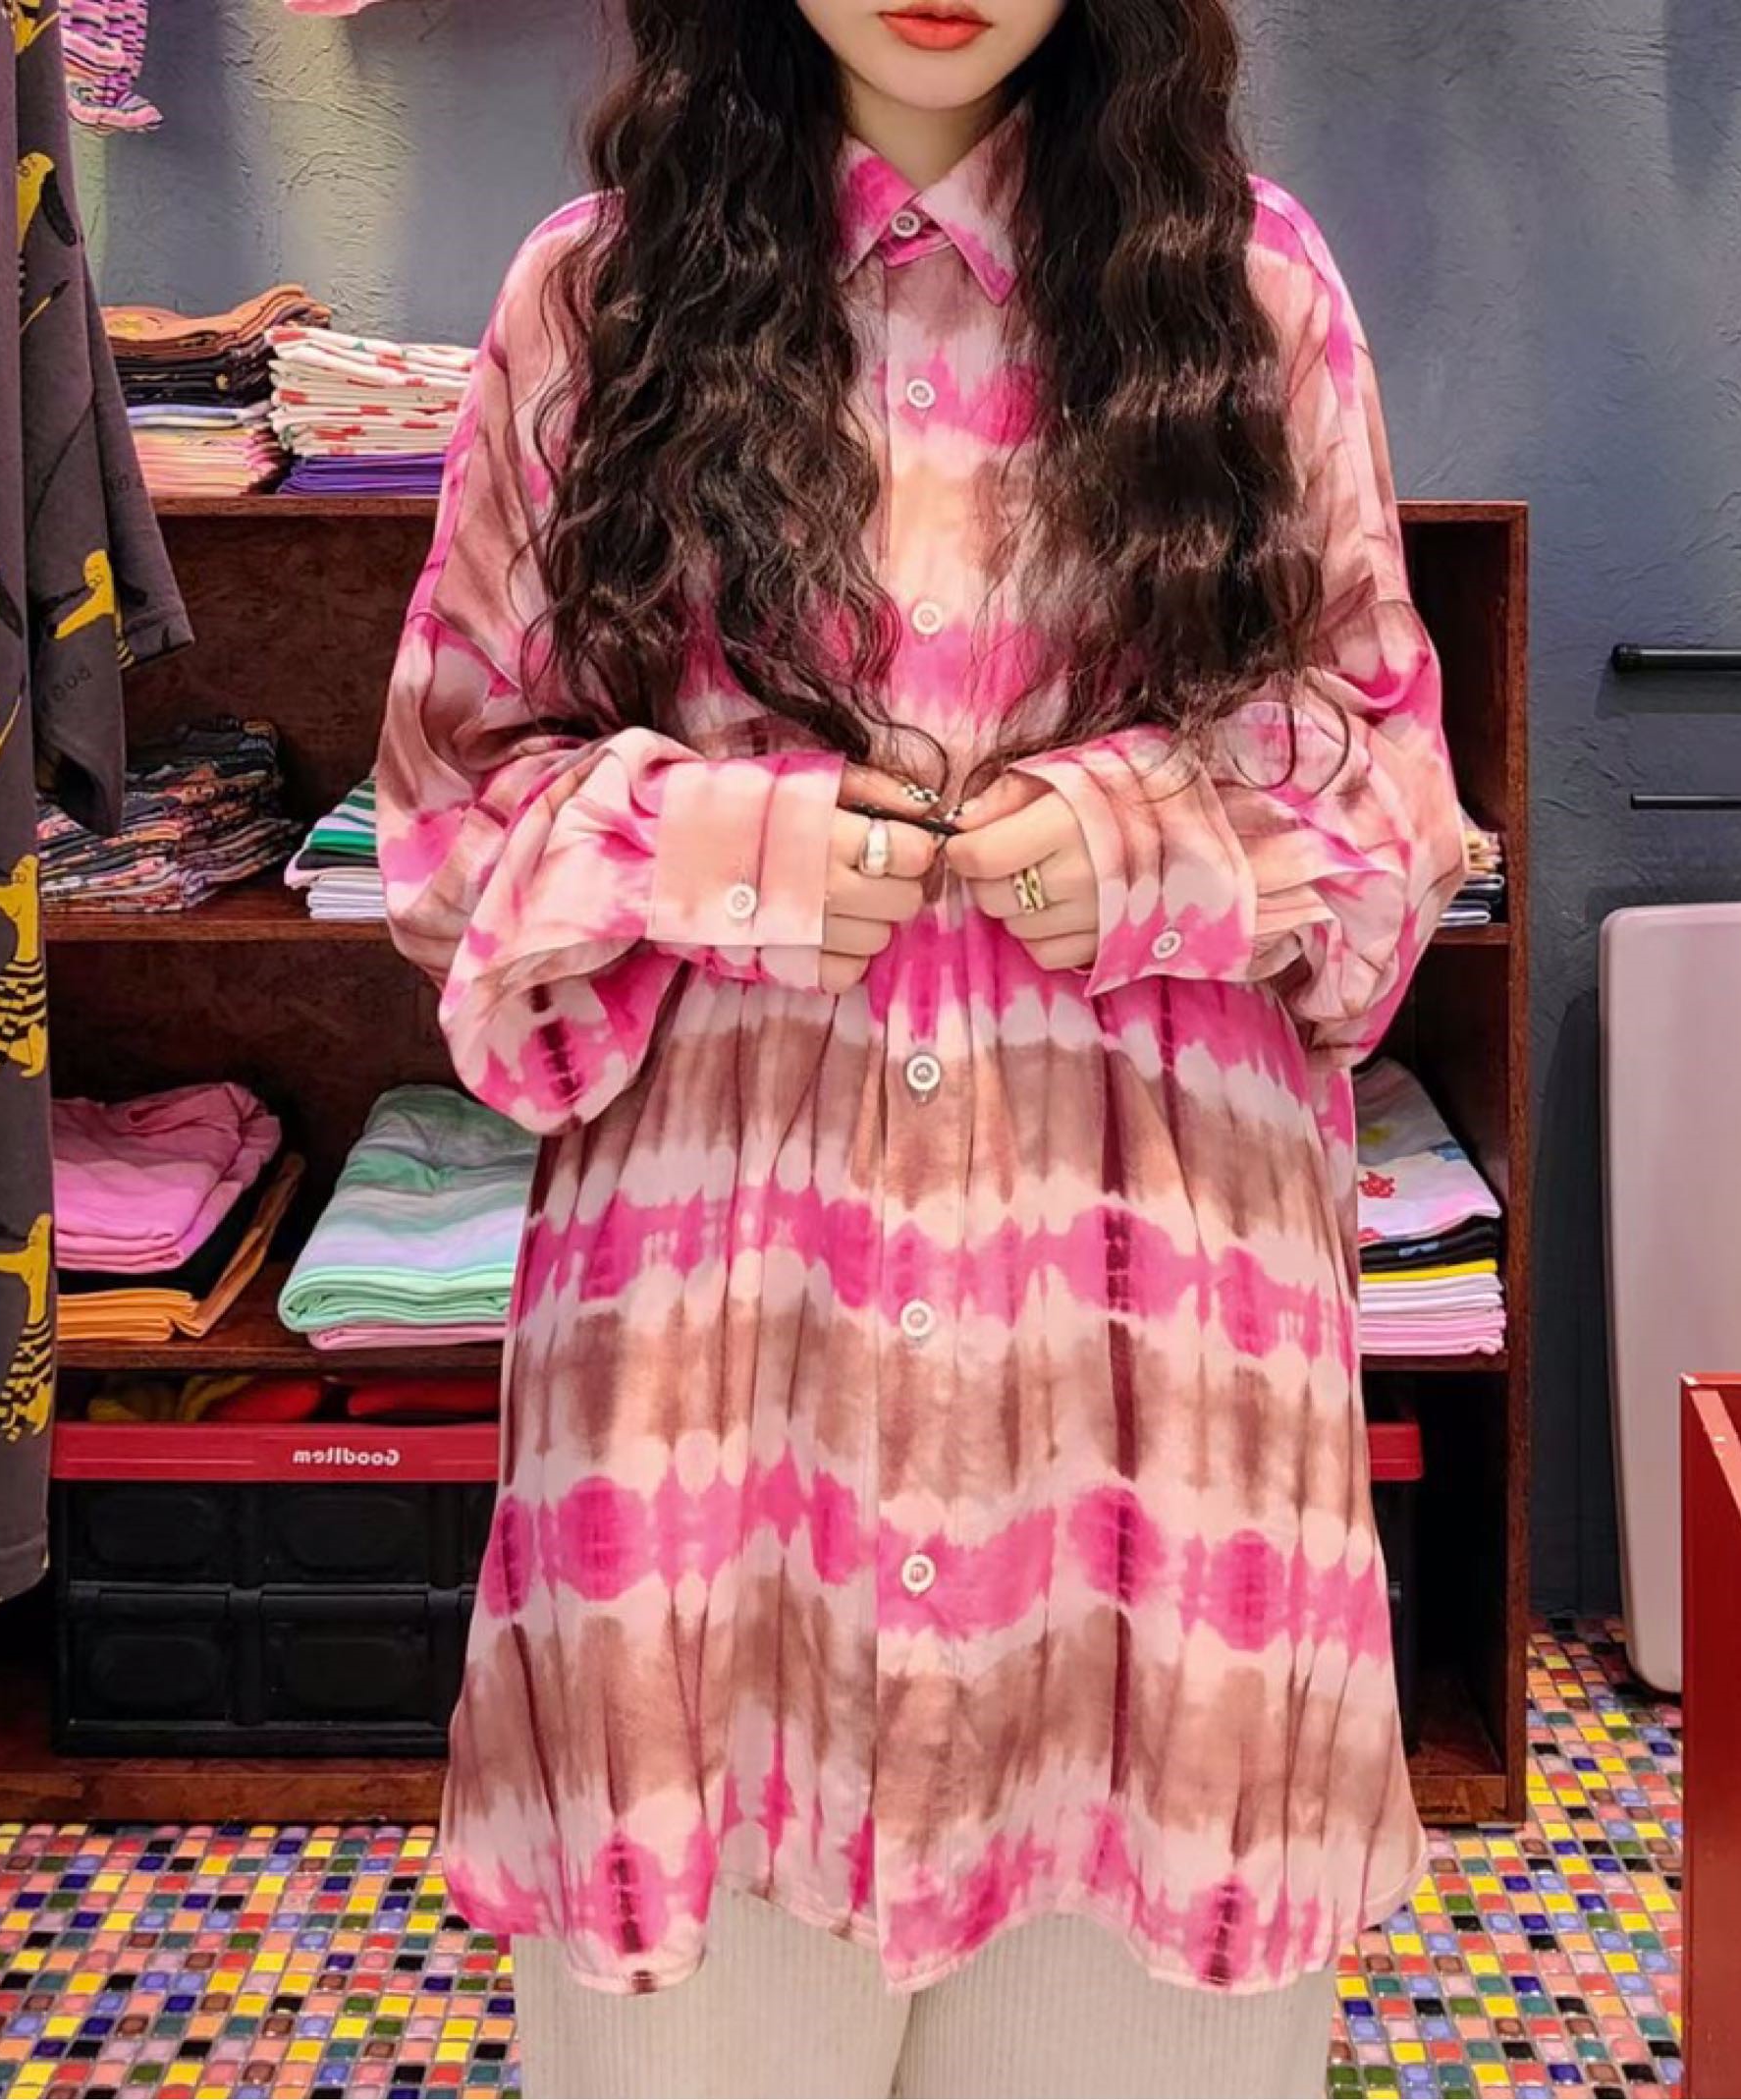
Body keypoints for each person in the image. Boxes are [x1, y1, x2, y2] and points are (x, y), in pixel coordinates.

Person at [377, 2, 1466, 2092]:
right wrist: (727, 842)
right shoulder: (596, 304)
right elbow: (445, 812)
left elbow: (1396, 792)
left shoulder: (1250, 293)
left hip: (1152, 1443)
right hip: (720, 1444)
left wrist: (1157, 836)